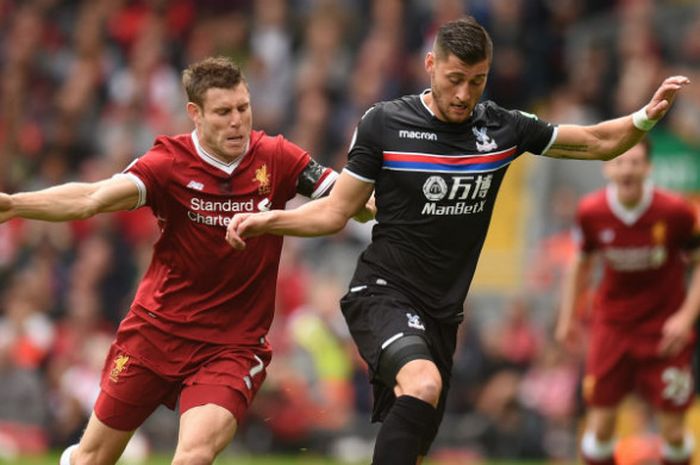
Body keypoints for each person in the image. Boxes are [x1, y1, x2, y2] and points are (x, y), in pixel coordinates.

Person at [225, 16, 691, 465]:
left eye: (477, 80)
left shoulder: (502, 128)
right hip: (383, 292)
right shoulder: (384, 123)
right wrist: (269, 221)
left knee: (416, 438)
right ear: (430, 65)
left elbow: (595, 141)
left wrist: (645, 117)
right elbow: (336, 211)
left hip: (443, 315)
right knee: (422, 385)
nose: (464, 94)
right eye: (454, 79)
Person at [0, 56, 370, 465]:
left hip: (232, 344)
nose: (237, 122)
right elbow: (92, 197)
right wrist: (15, 204)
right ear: (195, 114)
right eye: (223, 112)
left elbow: (349, 202)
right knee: (91, 459)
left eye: (243, 109)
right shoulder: (167, 164)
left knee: (193, 456)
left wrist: (369, 201)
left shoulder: (277, 157)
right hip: (156, 332)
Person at [555, 140, 700, 465]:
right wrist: (567, 321)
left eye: (635, 162)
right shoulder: (592, 212)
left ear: (648, 168)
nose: (627, 170)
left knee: (674, 432)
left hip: (664, 330)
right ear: (608, 168)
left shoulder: (675, 212)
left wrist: (686, 318)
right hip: (613, 328)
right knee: (602, 426)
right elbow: (581, 263)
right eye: (620, 163)